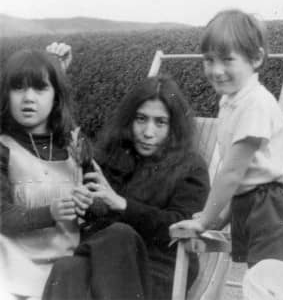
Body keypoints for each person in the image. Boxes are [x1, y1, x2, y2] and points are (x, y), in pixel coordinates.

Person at [42, 74, 210, 300]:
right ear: (129, 120)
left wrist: (122, 205)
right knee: (67, 269)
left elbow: (180, 225)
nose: (148, 132)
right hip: (104, 262)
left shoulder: (191, 166)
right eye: (141, 119)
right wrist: (89, 203)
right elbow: (97, 216)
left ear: (174, 127)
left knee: (119, 234)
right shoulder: (115, 155)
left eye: (160, 122)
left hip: (158, 269)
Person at [170, 9, 283, 267]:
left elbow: (231, 171)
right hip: (249, 202)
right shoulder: (231, 101)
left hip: (271, 208)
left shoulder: (255, 103)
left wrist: (204, 220)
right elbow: (243, 180)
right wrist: (222, 216)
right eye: (208, 60)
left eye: (228, 60)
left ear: (256, 58)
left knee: (268, 285)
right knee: (257, 280)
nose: (216, 70)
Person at [0, 48, 92, 299]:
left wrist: (90, 203)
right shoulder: (3, 147)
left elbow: (102, 205)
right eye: (18, 88)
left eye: (40, 88)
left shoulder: (74, 145)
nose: (28, 97)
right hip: (11, 270)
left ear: (56, 97)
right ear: (6, 95)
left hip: (65, 269)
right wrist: (49, 212)